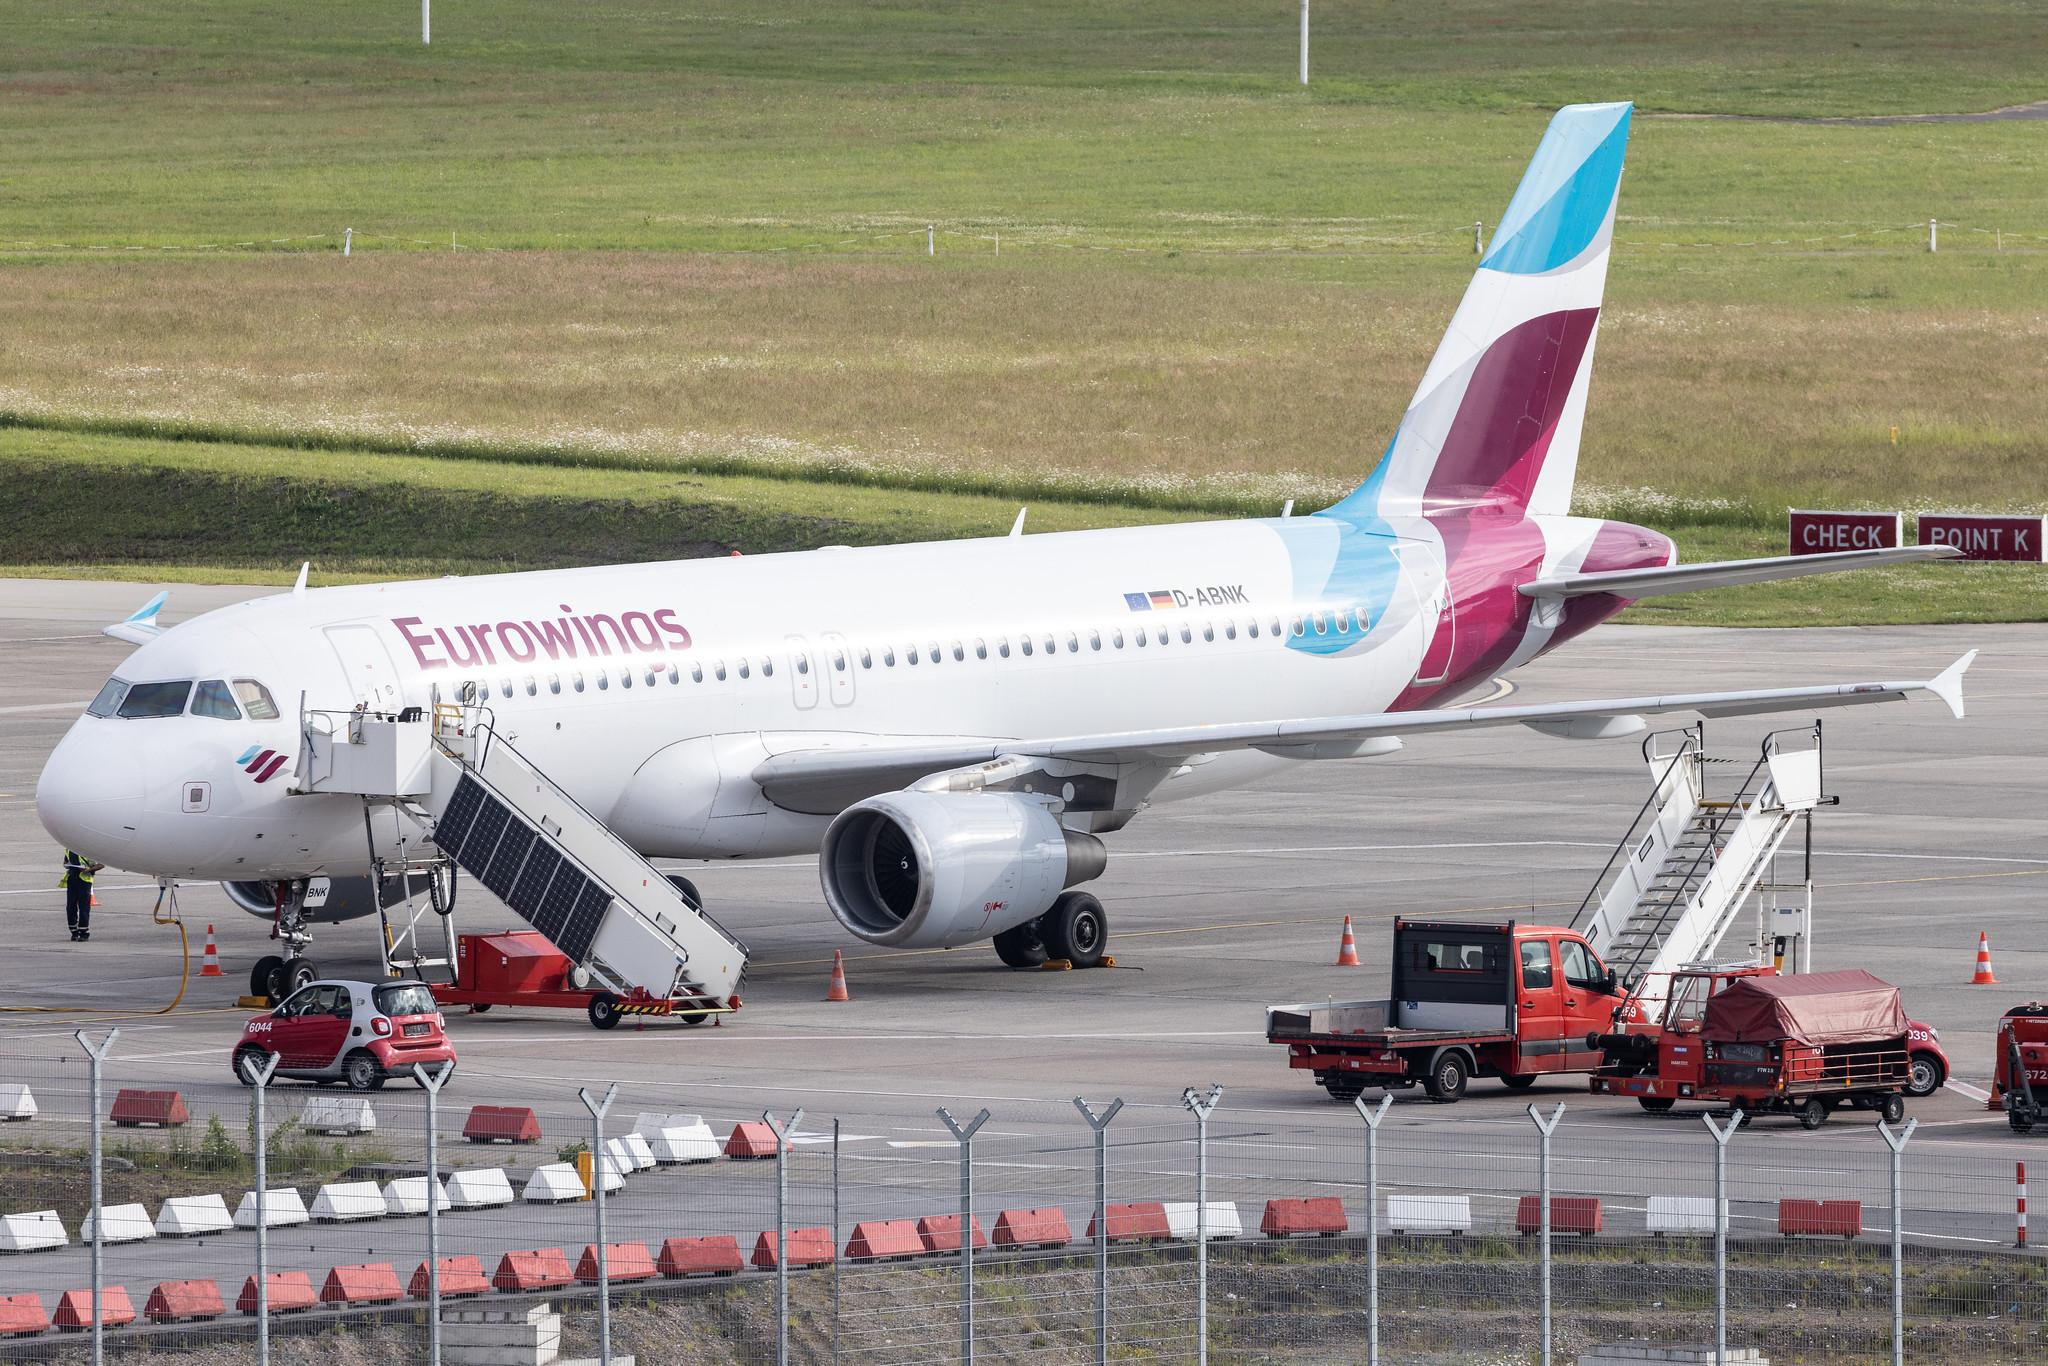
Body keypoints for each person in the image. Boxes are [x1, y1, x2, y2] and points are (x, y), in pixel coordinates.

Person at [61, 848, 102, 941]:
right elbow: (65, 862)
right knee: (70, 907)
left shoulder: (87, 849)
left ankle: (84, 932)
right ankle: (74, 931)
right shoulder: (68, 849)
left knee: (84, 907)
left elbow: (101, 865)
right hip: (72, 879)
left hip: (84, 881)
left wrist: (88, 870)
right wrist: (67, 865)